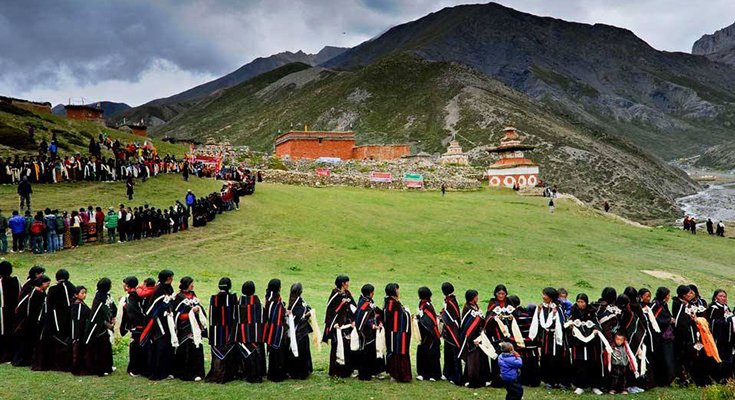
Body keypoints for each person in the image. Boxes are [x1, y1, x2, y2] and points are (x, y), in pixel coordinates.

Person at [528, 287, 568, 389]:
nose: (543, 297)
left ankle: (558, 380)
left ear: (551, 297)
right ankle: (548, 380)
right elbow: (537, 321)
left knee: (557, 358)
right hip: (546, 336)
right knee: (547, 357)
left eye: (545, 295)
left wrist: (555, 314)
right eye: (543, 294)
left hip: (556, 337)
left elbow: (562, 321)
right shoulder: (541, 307)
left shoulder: (558, 308)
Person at [566, 293, 604, 395]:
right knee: (580, 364)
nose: (580, 304)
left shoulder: (592, 311)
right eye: (578, 301)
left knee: (593, 364)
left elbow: (597, 323)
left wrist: (595, 329)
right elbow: (568, 323)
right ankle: (580, 385)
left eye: (582, 302)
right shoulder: (573, 311)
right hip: (578, 343)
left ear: (586, 302)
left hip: (591, 343)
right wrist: (570, 326)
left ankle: (595, 386)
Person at [142, 269, 176, 381]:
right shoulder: (158, 290)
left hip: (167, 320)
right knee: (161, 346)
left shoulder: (169, 288)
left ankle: (168, 370)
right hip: (157, 322)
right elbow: (153, 308)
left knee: (168, 346)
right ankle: (158, 372)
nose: (172, 279)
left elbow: (169, 302)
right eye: (171, 277)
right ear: (167, 278)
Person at [13, 274, 51, 366]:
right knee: (26, 342)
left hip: (32, 322)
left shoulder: (40, 292)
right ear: (42, 283)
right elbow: (31, 310)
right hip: (30, 323)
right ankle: (21, 360)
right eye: (47, 283)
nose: (48, 285)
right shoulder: (35, 294)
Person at [173, 276, 206, 382]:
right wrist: (191, 313)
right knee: (186, 349)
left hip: (195, 328)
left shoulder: (193, 295)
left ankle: (198, 372)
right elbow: (177, 314)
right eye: (191, 283)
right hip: (184, 328)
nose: (193, 285)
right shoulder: (179, 297)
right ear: (187, 284)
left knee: (196, 349)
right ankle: (185, 373)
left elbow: (199, 307)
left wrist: (198, 311)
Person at [206, 277, 239, 383]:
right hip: (228, 331)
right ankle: (228, 374)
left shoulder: (213, 298)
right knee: (228, 352)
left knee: (217, 354)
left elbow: (211, 316)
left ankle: (216, 373)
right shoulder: (232, 298)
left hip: (216, 331)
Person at [323, 274, 356, 378]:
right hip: (337, 327)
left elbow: (353, 306)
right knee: (337, 347)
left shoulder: (347, 294)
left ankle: (347, 371)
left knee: (347, 347)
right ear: (343, 283)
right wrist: (334, 324)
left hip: (347, 326)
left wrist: (353, 320)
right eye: (347, 282)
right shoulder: (335, 296)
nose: (348, 284)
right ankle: (335, 371)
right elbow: (330, 312)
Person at [43, 269, 76, 372]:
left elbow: (48, 305)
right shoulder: (72, 287)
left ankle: (59, 363)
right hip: (71, 318)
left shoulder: (53, 289)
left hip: (57, 319)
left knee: (59, 341)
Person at [84, 278, 116, 376]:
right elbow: (97, 315)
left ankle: (108, 366)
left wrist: (113, 318)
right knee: (101, 348)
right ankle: (101, 369)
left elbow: (112, 307)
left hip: (104, 327)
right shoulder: (99, 298)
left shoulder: (107, 296)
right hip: (98, 328)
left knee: (106, 347)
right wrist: (107, 324)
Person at [354, 283, 385, 381]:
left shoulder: (369, 302)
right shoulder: (364, 304)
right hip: (366, 332)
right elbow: (363, 318)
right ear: (371, 293)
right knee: (366, 352)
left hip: (372, 331)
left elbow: (376, 313)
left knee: (372, 351)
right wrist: (372, 325)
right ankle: (364, 374)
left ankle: (373, 371)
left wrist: (379, 322)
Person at [236, 281, 265, 383]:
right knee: (256, 354)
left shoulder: (240, 301)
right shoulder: (256, 301)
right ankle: (258, 374)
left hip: (243, 333)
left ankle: (246, 373)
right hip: (256, 332)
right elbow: (262, 315)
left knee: (246, 354)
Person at [459, 289, 489, 388]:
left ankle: (482, 379)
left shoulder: (476, 307)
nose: (477, 298)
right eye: (476, 296)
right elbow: (467, 326)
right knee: (473, 359)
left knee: (481, 358)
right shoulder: (467, 309)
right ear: (472, 298)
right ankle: (472, 380)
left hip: (480, 337)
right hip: (471, 339)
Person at [384, 282, 412, 382]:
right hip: (396, 333)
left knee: (395, 351)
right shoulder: (392, 303)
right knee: (396, 351)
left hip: (395, 332)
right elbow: (396, 318)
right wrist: (407, 312)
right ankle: (396, 375)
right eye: (397, 289)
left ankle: (395, 374)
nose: (398, 291)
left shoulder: (391, 302)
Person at [120, 276, 147, 377]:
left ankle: (135, 370)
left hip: (137, 326)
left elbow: (132, 313)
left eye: (124, 284)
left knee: (135, 348)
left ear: (127, 286)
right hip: (143, 325)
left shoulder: (131, 297)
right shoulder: (139, 295)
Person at [286, 282, 313, 379]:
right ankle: (301, 372)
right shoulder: (297, 303)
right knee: (301, 351)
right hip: (300, 333)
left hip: (295, 333)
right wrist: (308, 314)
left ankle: (293, 371)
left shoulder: (293, 301)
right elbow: (302, 313)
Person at [707, 289, 734, 383]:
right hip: (717, 337)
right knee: (717, 356)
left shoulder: (726, 307)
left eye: (724, 296)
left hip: (727, 337)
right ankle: (716, 376)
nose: (723, 298)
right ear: (715, 297)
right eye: (720, 296)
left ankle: (726, 376)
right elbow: (713, 322)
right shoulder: (713, 308)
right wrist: (727, 320)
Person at [650, 287, 676, 387]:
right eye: (668, 295)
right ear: (664, 296)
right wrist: (669, 320)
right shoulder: (655, 305)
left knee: (667, 359)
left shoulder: (663, 304)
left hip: (667, 336)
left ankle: (667, 380)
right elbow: (654, 319)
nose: (669, 297)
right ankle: (661, 381)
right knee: (663, 359)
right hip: (659, 336)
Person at [264, 278, 288, 382]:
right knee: (278, 353)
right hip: (277, 330)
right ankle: (277, 375)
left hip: (269, 330)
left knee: (272, 352)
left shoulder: (268, 297)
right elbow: (278, 315)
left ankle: (271, 374)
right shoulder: (276, 300)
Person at [416, 286, 441, 381]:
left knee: (432, 353)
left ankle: (434, 375)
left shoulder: (428, 305)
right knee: (423, 352)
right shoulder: (421, 304)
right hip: (423, 334)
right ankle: (423, 373)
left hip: (431, 334)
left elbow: (430, 321)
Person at [440, 282, 462, 385]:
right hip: (448, 331)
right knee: (447, 351)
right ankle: (447, 373)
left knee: (454, 353)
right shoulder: (448, 301)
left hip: (453, 330)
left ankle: (456, 376)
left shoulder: (451, 301)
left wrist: (443, 317)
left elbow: (454, 315)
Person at [0, 261, 20, 363]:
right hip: (11, 310)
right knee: (10, 332)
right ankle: (9, 355)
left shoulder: (2, 281)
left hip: (3, 310)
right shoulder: (14, 281)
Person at [70, 286, 90, 375]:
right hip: (78, 332)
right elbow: (77, 321)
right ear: (76, 294)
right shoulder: (77, 306)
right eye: (82, 293)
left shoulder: (81, 304)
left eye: (85, 293)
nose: (84, 295)